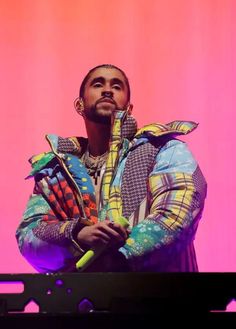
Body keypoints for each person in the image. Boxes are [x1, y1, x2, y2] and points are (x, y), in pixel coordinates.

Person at [16, 64, 207, 273]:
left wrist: (115, 257)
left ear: (129, 108)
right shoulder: (54, 172)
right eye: (98, 84)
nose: (107, 90)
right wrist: (77, 234)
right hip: (84, 303)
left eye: (117, 86)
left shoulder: (163, 149)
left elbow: (177, 216)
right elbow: (30, 236)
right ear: (79, 105)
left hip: (159, 300)